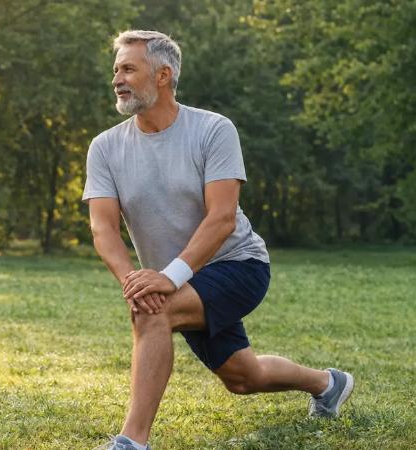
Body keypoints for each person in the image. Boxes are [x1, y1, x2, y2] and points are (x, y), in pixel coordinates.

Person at [84, 30, 354, 450]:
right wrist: (133, 280)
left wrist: (168, 279)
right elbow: (102, 227)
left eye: (129, 69)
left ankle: (131, 442)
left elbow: (222, 218)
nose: (117, 78)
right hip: (174, 281)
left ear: (162, 75)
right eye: (116, 69)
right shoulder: (104, 148)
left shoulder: (212, 129)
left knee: (153, 316)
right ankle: (328, 383)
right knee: (243, 378)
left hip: (238, 266)